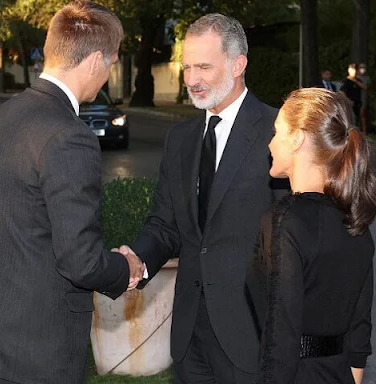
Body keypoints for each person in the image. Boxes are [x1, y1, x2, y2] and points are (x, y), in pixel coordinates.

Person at [0, 2, 144, 384]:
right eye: (111, 63)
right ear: (93, 61)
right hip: (35, 356)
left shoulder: (9, 112)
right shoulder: (70, 136)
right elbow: (81, 262)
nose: (108, 74)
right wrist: (127, 269)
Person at [115, 13, 286, 384]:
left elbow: (298, 235)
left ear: (238, 64)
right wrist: (137, 261)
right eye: (187, 66)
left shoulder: (279, 133)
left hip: (253, 334)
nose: (191, 79)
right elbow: (164, 223)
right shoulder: (180, 138)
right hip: (189, 336)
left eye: (204, 67)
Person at [246, 88, 376, 384]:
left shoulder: (285, 220)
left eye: (277, 132)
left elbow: (281, 336)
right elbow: (359, 332)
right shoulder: (356, 221)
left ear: (297, 139)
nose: (270, 143)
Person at [357, 63, 371, 134]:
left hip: (363, 97)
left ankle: (364, 130)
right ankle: (358, 129)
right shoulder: (355, 77)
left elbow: (367, 87)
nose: (362, 69)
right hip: (356, 97)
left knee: (362, 113)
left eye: (364, 67)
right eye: (361, 67)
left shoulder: (367, 78)